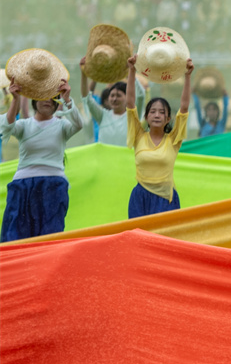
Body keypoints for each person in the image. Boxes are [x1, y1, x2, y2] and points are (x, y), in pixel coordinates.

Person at [1, 77, 83, 242]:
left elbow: (78, 124)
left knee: (50, 235)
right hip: (22, 185)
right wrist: (16, 100)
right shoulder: (24, 125)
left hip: (53, 185)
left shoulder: (62, 126)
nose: (47, 100)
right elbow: (6, 127)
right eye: (42, 97)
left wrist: (67, 99)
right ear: (34, 101)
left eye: (52, 97)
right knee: (15, 234)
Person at [125, 54, 193, 218]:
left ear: (168, 118)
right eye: (152, 112)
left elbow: (184, 108)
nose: (157, 115)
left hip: (166, 199)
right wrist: (132, 71)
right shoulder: (138, 136)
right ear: (146, 117)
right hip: (140, 198)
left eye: (161, 112)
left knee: (163, 241)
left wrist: (188, 75)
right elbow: (130, 104)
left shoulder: (174, 140)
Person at [79, 57, 145, 147]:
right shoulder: (102, 116)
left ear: (127, 98)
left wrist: (130, 72)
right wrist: (84, 74)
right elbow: (87, 98)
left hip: (126, 161)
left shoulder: (133, 117)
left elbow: (141, 96)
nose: (114, 99)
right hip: (104, 161)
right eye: (112, 95)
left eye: (118, 96)